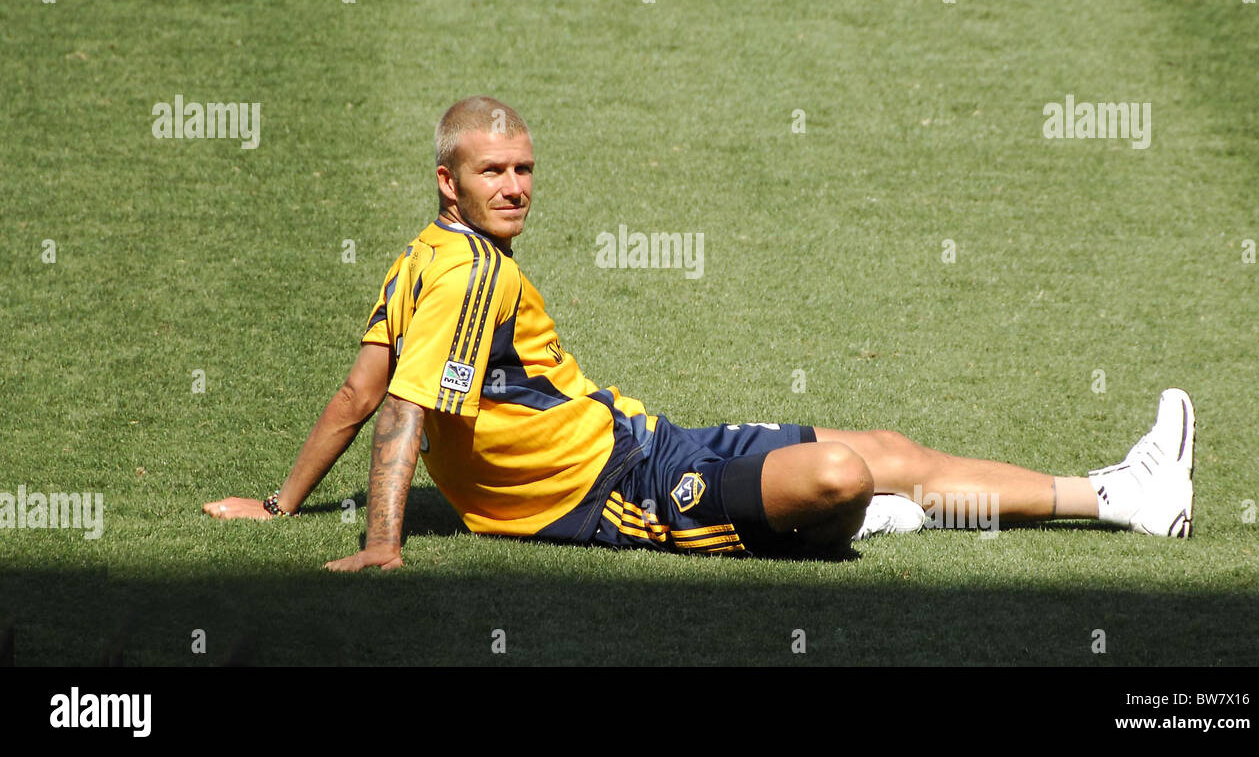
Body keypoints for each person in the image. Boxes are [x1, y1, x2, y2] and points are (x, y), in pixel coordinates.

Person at [203, 96, 1196, 569]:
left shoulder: (421, 256)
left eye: (524, 170)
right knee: (851, 477)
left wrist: (282, 502)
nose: (515, 188)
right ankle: (870, 515)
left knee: (887, 454)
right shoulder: (463, 274)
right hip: (631, 496)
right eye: (492, 173)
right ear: (447, 182)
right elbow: (396, 410)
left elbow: (356, 387)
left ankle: (1119, 497)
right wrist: (382, 544)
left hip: (644, 442)